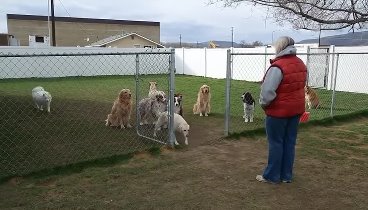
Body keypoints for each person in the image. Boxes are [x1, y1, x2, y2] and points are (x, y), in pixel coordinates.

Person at [257, 36, 307, 184]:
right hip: (296, 110)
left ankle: (272, 175)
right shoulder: (300, 64)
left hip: (278, 113)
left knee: (276, 143)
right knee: (289, 142)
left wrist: (264, 105)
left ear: (280, 47)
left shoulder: (278, 67)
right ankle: (286, 175)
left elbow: (267, 92)